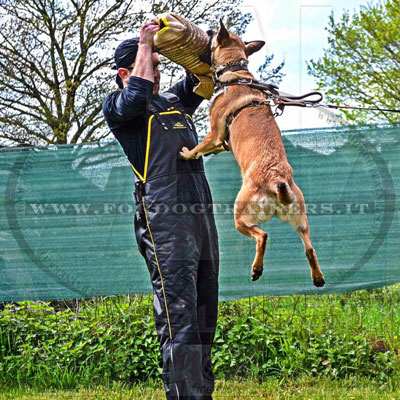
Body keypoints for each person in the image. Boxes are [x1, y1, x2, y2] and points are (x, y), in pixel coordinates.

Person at [102, 21, 219, 400]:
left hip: (200, 213)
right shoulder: (122, 109)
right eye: (151, 62)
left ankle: (201, 393)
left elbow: (202, 76)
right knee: (179, 316)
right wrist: (145, 41)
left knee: (204, 313)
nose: (158, 68)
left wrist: (204, 46)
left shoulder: (173, 101)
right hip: (164, 220)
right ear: (127, 71)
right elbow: (135, 94)